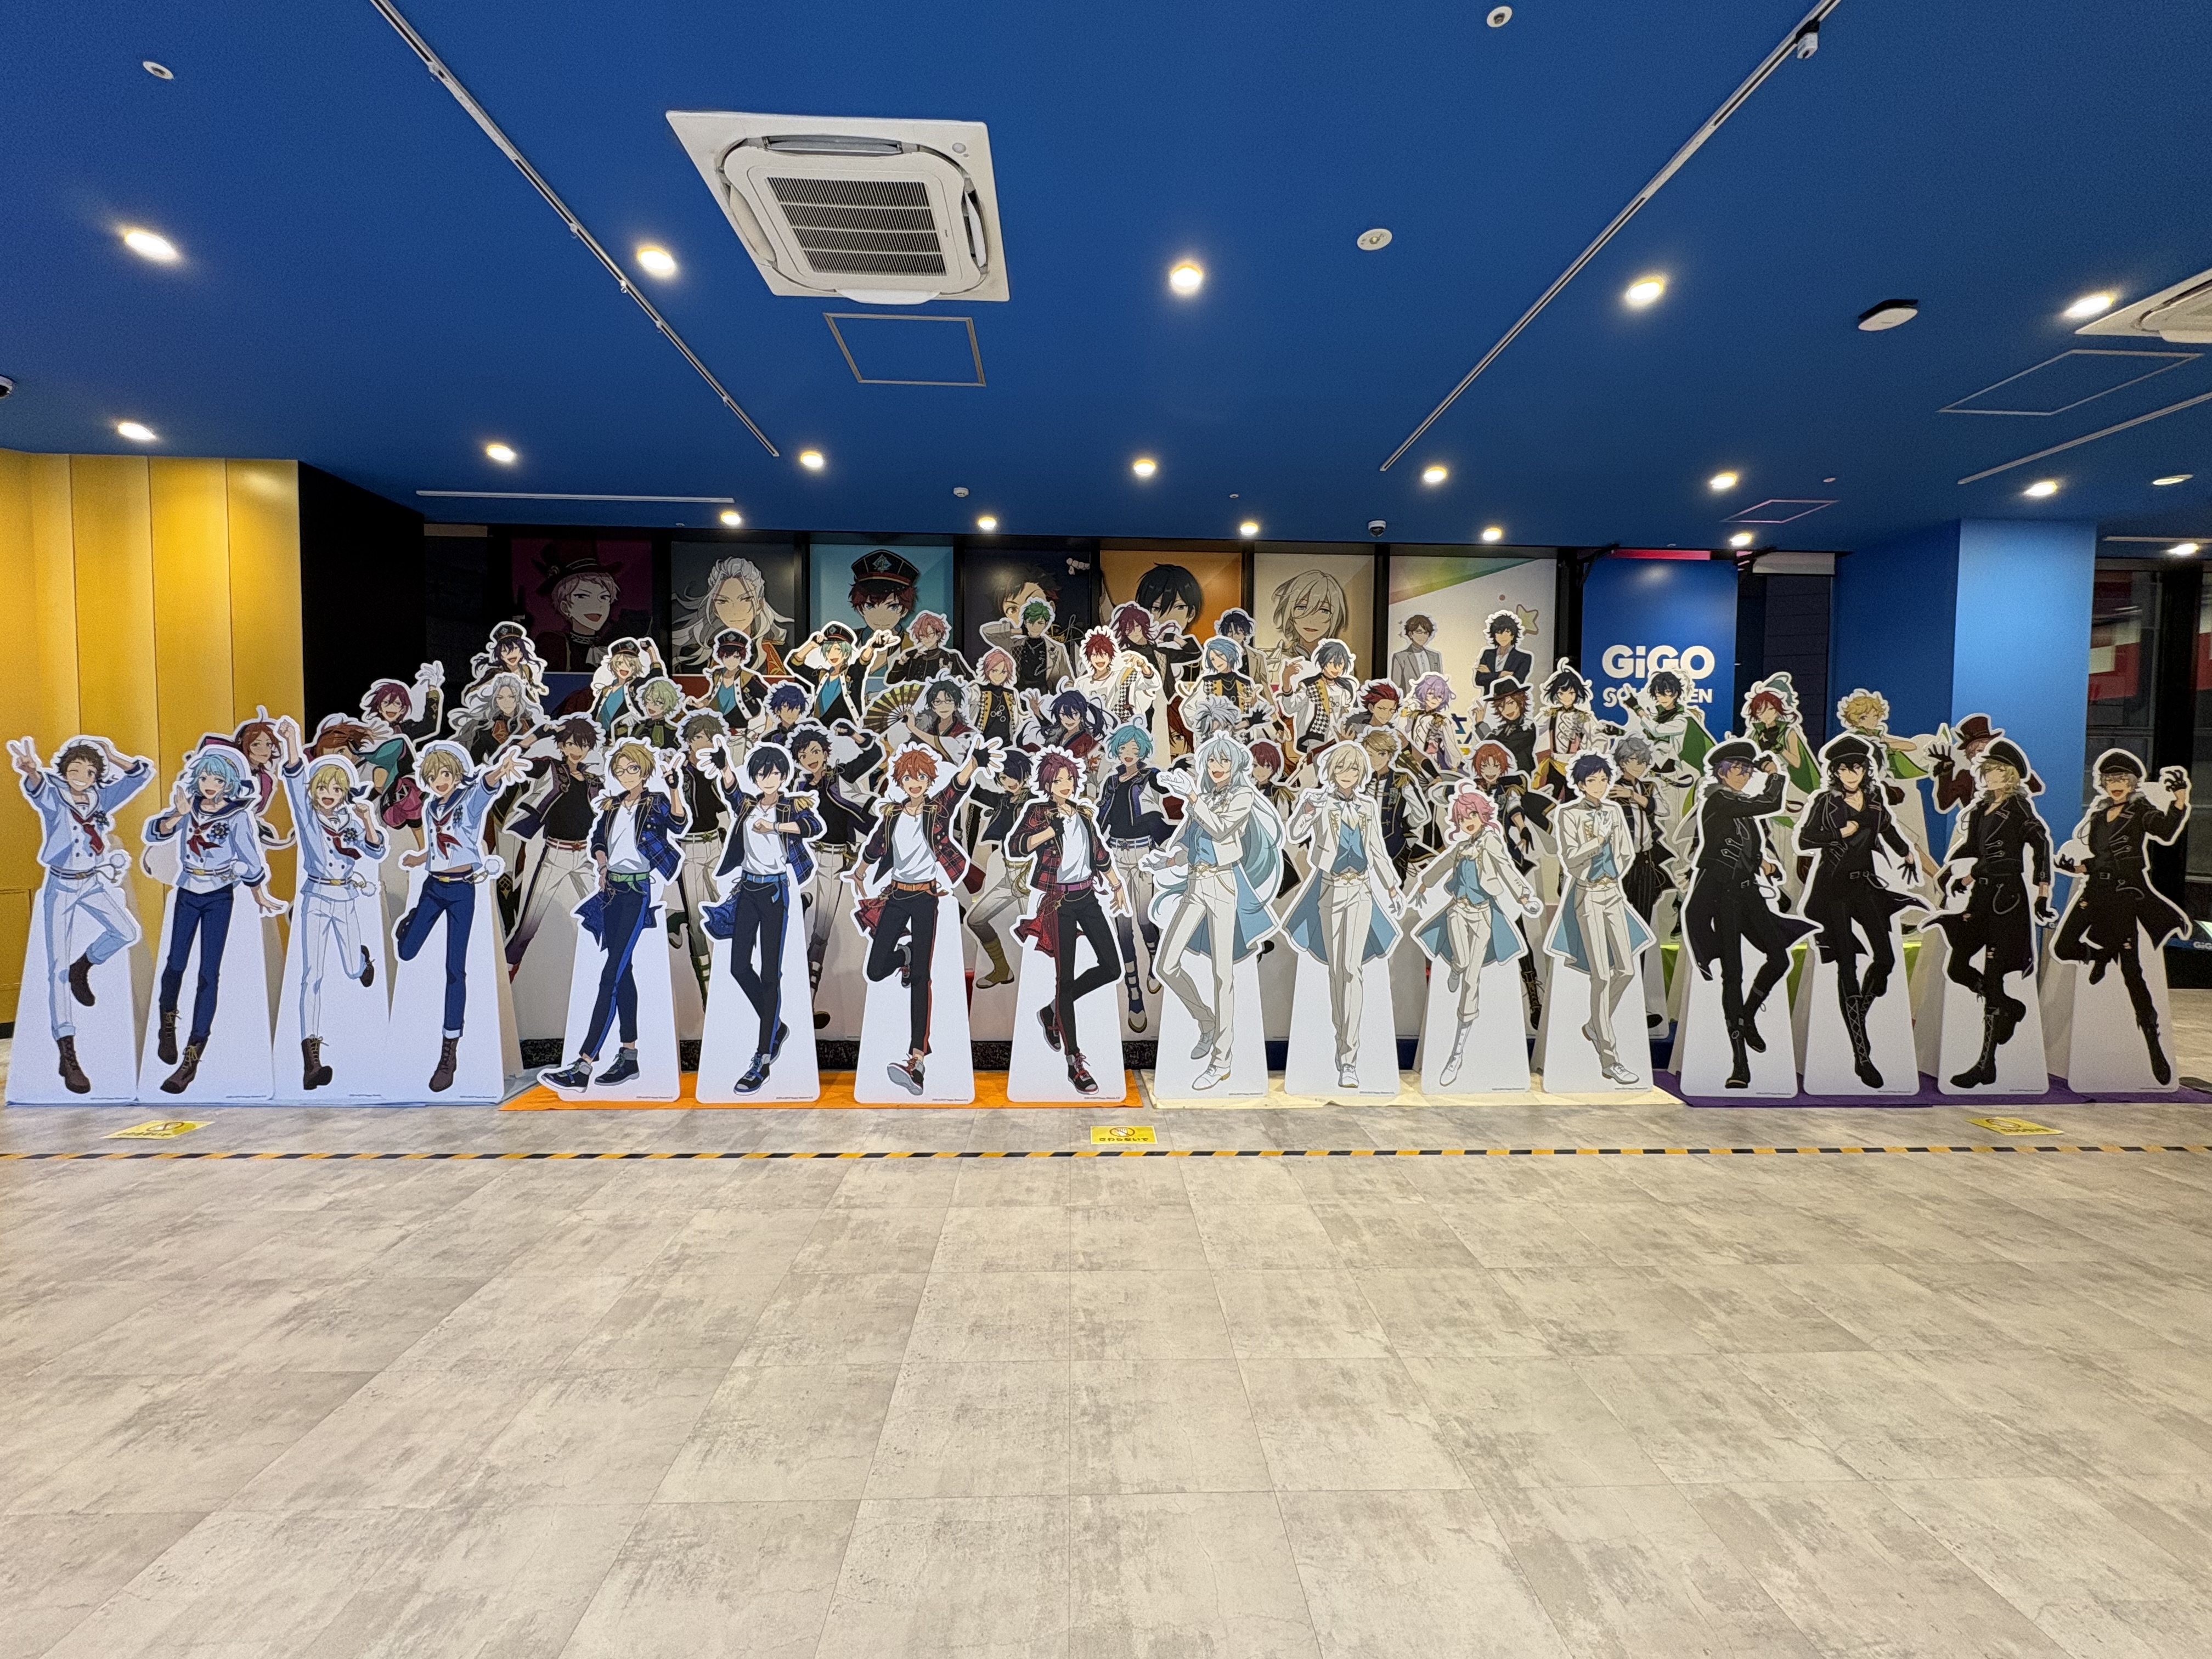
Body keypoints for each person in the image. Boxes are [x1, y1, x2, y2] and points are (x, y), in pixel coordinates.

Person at [540, 741, 688, 1092]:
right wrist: (603, 864)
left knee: (611, 975)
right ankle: (629, 1056)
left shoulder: (655, 802)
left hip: (637, 892)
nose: (625, 776)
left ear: (644, 770)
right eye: (620, 771)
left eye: (632, 769)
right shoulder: (612, 806)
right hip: (611, 893)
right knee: (623, 974)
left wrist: (674, 787)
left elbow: (678, 823)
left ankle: (584, 1065)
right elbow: (597, 840)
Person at [8, 735, 151, 1094]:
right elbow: (39, 790)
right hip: (61, 885)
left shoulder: (102, 798)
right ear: (64, 770)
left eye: (89, 772)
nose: (81, 776)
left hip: (92, 881)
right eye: (74, 769)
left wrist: (113, 754)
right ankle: (67, 1052)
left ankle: (83, 966)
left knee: (126, 931)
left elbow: (140, 776)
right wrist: (31, 770)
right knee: (56, 968)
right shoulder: (55, 796)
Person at [142, 743, 287, 1094]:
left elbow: (251, 857)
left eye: (218, 780)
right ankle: (167, 1024)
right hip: (187, 891)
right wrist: (177, 815)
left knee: (209, 973)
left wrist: (259, 893)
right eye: (206, 778)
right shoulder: (189, 807)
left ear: (229, 784)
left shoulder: (238, 816)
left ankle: (193, 1053)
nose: (210, 785)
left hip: (220, 895)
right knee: (175, 964)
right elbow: (155, 833)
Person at [1146, 733, 1285, 1090]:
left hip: (1224, 885)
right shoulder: (1204, 798)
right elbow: (1189, 843)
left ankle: (1222, 1060)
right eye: (1211, 760)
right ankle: (1206, 1022)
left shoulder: (1242, 796)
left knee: (1223, 975)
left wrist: (1192, 797)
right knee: (1166, 965)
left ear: (1235, 765)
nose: (1217, 766)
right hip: (1195, 884)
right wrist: (1165, 861)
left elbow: (1221, 830)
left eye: (1223, 760)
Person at [853, 743, 988, 1095]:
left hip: (926, 898)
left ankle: (917, 1060)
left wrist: (973, 763)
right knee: (875, 969)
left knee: (921, 979)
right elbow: (876, 847)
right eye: (909, 778)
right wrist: (861, 872)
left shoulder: (935, 810)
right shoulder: (892, 815)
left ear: (929, 780)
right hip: (896, 896)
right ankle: (906, 954)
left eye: (922, 777)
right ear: (900, 781)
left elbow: (956, 790)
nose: (915, 783)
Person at [1682, 740, 1815, 1089]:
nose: (1744, 774)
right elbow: (1768, 803)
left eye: (1747, 769)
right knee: (1734, 975)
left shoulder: (1738, 806)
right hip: (1723, 897)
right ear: (1721, 773)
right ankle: (1739, 1062)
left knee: (1780, 959)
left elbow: (1743, 845)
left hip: (1748, 893)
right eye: (1738, 769)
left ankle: (1748, 1015)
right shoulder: (1719, 799)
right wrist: (1776, 775)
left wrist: (1762, 862)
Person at [2051, 749, 2190, 1084]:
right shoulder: (2099, 816)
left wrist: (2180, 799)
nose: (2116, 784)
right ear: (2103, 783)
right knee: (2063, 946)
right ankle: (2101, 954)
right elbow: (2099, 857)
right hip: (2094, 889)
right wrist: (2076, 867)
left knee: (2133, 972)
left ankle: (2154, 1046)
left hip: (2125, 893)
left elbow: (2166, 831)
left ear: (2132, 783)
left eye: (2122, 779)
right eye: (2111, 779)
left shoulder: (2140, 811)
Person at [1797, 733, 1927, 1087]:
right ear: (1835, 772)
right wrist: (1839, 833)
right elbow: (1806, 839)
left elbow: (1888, 829)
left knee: (1885, 959)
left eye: (1856, 767)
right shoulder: (1826, 802)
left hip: (1865, 885)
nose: (1851, 774)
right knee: (1847, 965)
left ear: (1865, 770)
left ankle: (1857, 1017)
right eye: (1844, 769)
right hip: (1833, 889)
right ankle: (1861, 1055)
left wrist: (1906, 853)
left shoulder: (1874, 799)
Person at [397, 740, 527, 1092]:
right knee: (406, 951)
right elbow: (439, 845)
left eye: (446, 774)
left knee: (456, 969)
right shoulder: (430, 807)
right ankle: (410, 924)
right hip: (433, 886)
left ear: (456, 775)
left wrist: (497, 772)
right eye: (433, 776)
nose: (440, 781)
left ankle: (449, 1050)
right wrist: (420, 858)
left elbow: (483, 791)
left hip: (461, 891)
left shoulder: (466, 802)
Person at [1925, 737, 2054, 1089]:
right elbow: (1971, 847)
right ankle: (2008, 1007)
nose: (1990, 774)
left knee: (1994, 974)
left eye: (1997, 769)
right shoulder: (1981, 809)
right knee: (1957, 966)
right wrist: (1947, 873)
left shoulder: (2018, 808)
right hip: (1981, 898)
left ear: (2010, 774)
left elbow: (2040, 845)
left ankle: (1987, 1063)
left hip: (2007, 898)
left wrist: (2043, 893)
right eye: (1988, 768)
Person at [1282, 741, 1405, 1088]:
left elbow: (1377, 850)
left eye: (1353, 768)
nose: (1347, 774)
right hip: (1330, 889)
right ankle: (1340, 1040)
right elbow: (1294, 834)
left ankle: (1349, 1056)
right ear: (1331, 771)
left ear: (1361, 772)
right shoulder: (1320, 802)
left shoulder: (1367, 805)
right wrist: (1307, 808)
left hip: (1361, 890)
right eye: (1341, 768)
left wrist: (1392, 887)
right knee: (1337, 971)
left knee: (1352, 970)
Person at [703, 741, 822, 1092]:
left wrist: (776, 828)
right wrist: (726, 767)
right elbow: (732, 794)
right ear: (755, 777)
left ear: (783, 776)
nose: (768, 779)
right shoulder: (749, 806)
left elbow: (812, 826)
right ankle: (776, 1027)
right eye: (761, 774)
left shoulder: (790, 806)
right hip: (747, 890)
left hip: (774, 892)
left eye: (774, 773)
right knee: (739, 967)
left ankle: (763, 1057)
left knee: (771, 974)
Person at [275, 723, 384, 1091]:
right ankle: (312, 1060)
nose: (328, 794)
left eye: (336, 789)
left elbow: (375, 851)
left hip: (346, 898)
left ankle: (362, 961)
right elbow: (294, 780)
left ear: (344, 792)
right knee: (312, 976)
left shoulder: (351, 821)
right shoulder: (308, 818)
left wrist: (368, 821)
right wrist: (292, 740)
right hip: (316, 897)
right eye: (323, 788)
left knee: (353, 969)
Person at [1012, 751, 1128, 1094]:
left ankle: (1052, 1011)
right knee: (1064, 978)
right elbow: (1018, 846)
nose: (1065, 785)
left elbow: (1100, 855)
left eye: (1069, 779)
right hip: (1059, 902)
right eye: (1058, 780)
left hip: (1087, 897)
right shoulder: (1039, 812)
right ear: (1048, 784)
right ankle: (1074, 1060)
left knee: (1112, 968)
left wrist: (1116, 885)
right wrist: (1048, 832)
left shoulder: (1083, 816)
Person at [1408, 787, 1541, 1086]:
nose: (1468, 821)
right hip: (1457, 910)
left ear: (1482, 816)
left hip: (1483, 915)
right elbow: (1442, 865)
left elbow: (1506, 869)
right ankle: (1456, 967)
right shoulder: (1461, 847)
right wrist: (1422, 886)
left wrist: (1524, 896)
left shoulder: (1491, 841)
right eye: (1462, 817)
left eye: (1472, 815)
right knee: (1461, 960)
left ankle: (1457, 1052)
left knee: (1472, 979)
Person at [1547, 752, 1651, 1086]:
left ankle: (1595, 1024)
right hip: (1587, 895)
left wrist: (1613, 871)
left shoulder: (1614, 811)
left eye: (1604, 780)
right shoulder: (1568, 814)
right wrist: (1597, 842)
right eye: (1593, 780)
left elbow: (1626, 851)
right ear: (1580, 784)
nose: (1600, 786)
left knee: (1627, 969)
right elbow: (1570, 859)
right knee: (1601, 976)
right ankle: (1609, 1058)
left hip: (1612, 893)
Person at [505, 716, 603, 976]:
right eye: (570, 743)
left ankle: (602, 972)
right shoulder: (550, 768)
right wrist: (537, 736)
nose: (576, 750)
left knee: (601, 916)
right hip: (556, 854)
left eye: (582, 745)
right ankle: (507, 971)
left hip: (586, 857)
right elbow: (511, 762)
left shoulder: (594, 781)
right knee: (529, 924)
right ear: (561, 745)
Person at [1095, 723, 1172, 1028]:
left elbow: (1167, 787)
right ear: (1117, 750)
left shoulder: (1149, 776)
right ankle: (1134, 995)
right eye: (1125, 748)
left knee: (1144, 920)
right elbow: (1101, 818)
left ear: (1143, 752)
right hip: (1116, 856)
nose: (1129, 753)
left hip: (1143, 854)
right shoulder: (1112, 782)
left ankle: (1155, 958)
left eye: (1135, 749)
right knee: (1123, 928)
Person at [669, 712, 733, 1000]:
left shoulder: (716, 767)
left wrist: (724, 771)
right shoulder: (678, 769)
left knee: (727, 909)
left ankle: (731, 979)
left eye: (709, 738)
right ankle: (707, 991)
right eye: (698, 738)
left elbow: (728, 804)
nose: (704, 743)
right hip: (690, 846)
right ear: (689, 740)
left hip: (715, 843)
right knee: (697, 920)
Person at [966, 749, 1037, 989]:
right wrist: (974, 764)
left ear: (1025, 774)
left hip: (1033, 878)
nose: (1009, 782)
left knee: (1035, 934)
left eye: (1013, 775)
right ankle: (1002, 969)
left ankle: (1038, 984)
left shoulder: (1038, 801)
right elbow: (975, 791)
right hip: (1010, 875)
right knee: (976, 921)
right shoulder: (1003, 800)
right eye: (1004, 778)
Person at [529, 546, 651, 672]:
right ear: (565, 607)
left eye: (604, 597)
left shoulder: (617, 644)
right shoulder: (554, 645)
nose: (597, 605)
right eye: (583, 596)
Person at [672, 554, 792, 675]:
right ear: (715, 609)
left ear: (759, 605)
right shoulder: (693, 657)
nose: (734, 611)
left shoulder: (777, 652)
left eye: (745, 599)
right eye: (723, 601)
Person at [1280, 639, 1360, 761]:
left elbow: (1349, 714)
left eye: (1340, 664)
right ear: (1323, 662)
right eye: (1332, 663)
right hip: (1315, 740)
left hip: (1339, 740)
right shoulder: (1309, 685)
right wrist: (1286, 680)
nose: (1336, 668)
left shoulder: (1345, 688)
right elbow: (1290, 707)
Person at [980, 596, 1074, 694]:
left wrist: (1064, 696)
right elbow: (987, 632)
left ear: (1046, 625)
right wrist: (1016, 631)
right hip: (1018, 695)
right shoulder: (1014, 645)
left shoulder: (1057, 649)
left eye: (1040, 623)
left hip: (1044, 696)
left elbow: (1068, 680)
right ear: (1025, 623)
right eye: (1031, 622)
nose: (1035, 627)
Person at [788, 622, 873, 727]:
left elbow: (862, 662)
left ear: (846, 653)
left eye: (837, 649)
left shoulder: (851, 674)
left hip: (845, 730)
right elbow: (794, 665)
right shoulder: (821, 676)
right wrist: (811, 645)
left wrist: (872, 647)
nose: (832, 654)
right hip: (820, 729)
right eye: (828, 650)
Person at [886, 611, 971, 685]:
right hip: (914, 697)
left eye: (929, 634)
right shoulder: (914, 658)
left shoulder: (951, 658)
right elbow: (891, 680)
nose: (926, 639)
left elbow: (969, 680)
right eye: (922, 636)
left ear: (938, 635)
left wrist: (950, 680)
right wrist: (903, 660)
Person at [1477, 675, 1538, 777]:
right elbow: (1488, 745)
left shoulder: (1527, 726)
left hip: (1520, 777)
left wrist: (1481, 725)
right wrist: (1480, 724)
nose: (1506, 710)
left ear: (1520, 702)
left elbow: (1502, 748)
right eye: (1501, 706)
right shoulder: (1503, 729)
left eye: (1511, 703)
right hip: (1502, 775)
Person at [1474, 610, 1533, 697]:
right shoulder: (1488, 654)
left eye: (1507, 632)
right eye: (1499, 633)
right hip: (1488, 700)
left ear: (1513, 635)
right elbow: (1479, 680)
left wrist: (1490, 675)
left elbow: (1516, 683)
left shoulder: (1524, 657)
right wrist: (1501, 675)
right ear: (1494, 636)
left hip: (1510, 701)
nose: (1503, 636)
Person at [1389, 614, 1443, 695]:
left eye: (1426, 633)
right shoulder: (1400, 657)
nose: (1423, 636)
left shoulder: (1435, 656)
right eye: (1419, 632)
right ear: (1411, 634)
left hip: (1432, 700)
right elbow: (1396, 687)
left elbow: (1439, 684)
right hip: (1409, 700)